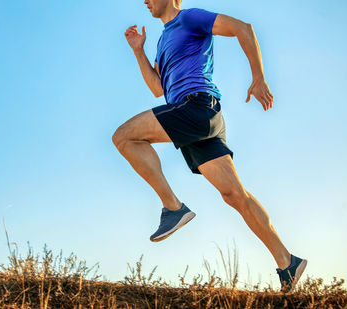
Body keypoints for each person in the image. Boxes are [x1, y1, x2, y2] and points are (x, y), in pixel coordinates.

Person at [112, 0, 307, 292]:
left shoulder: (190, 18)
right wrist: (138, 51)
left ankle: (172, 207)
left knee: (124, 136)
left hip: (198, 106)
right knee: (234, 194)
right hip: (190, 116)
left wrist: (258, 78)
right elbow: (157, 88)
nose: (144, 1)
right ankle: (287, 262)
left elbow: (243, 28)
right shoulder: (164, 39)